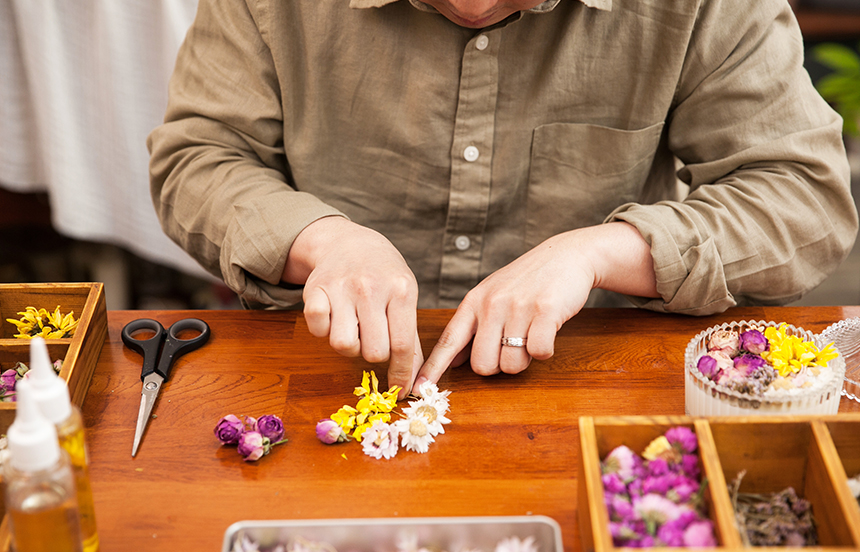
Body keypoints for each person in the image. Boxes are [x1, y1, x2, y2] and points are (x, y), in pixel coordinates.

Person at [148, 0, 858, 397]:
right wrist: (324, 241)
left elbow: (805, 197)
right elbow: (198, 157)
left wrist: (602, 252)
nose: (474, 4)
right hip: (322, 376)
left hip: (590, 374)